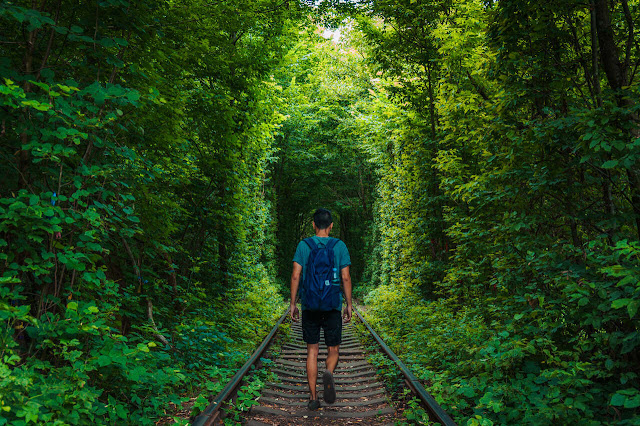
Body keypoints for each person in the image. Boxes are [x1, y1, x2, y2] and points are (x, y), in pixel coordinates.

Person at [289, 208, 353, 411]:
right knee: (333, 349)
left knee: (312, 351)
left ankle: (313, 398)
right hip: (332, 304)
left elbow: (296, 276)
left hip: (310, 304)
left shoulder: (303, 245)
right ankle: (329, 373)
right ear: (331, 225)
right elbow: (345, 277)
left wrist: (293, 304)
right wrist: (349, 304)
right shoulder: (339, 246)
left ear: (314, 225)